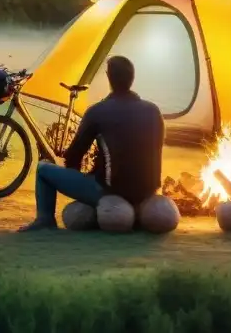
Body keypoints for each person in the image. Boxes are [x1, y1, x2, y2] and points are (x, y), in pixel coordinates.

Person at [18, 55, 165, 231]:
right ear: (132, 78)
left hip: (110, 190)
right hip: (148, 191)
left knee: (43, 169)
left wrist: (80, 180)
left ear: (108, 77)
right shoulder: (153, 110)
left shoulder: (97, 111)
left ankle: (45, 220)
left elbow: (74, 156)